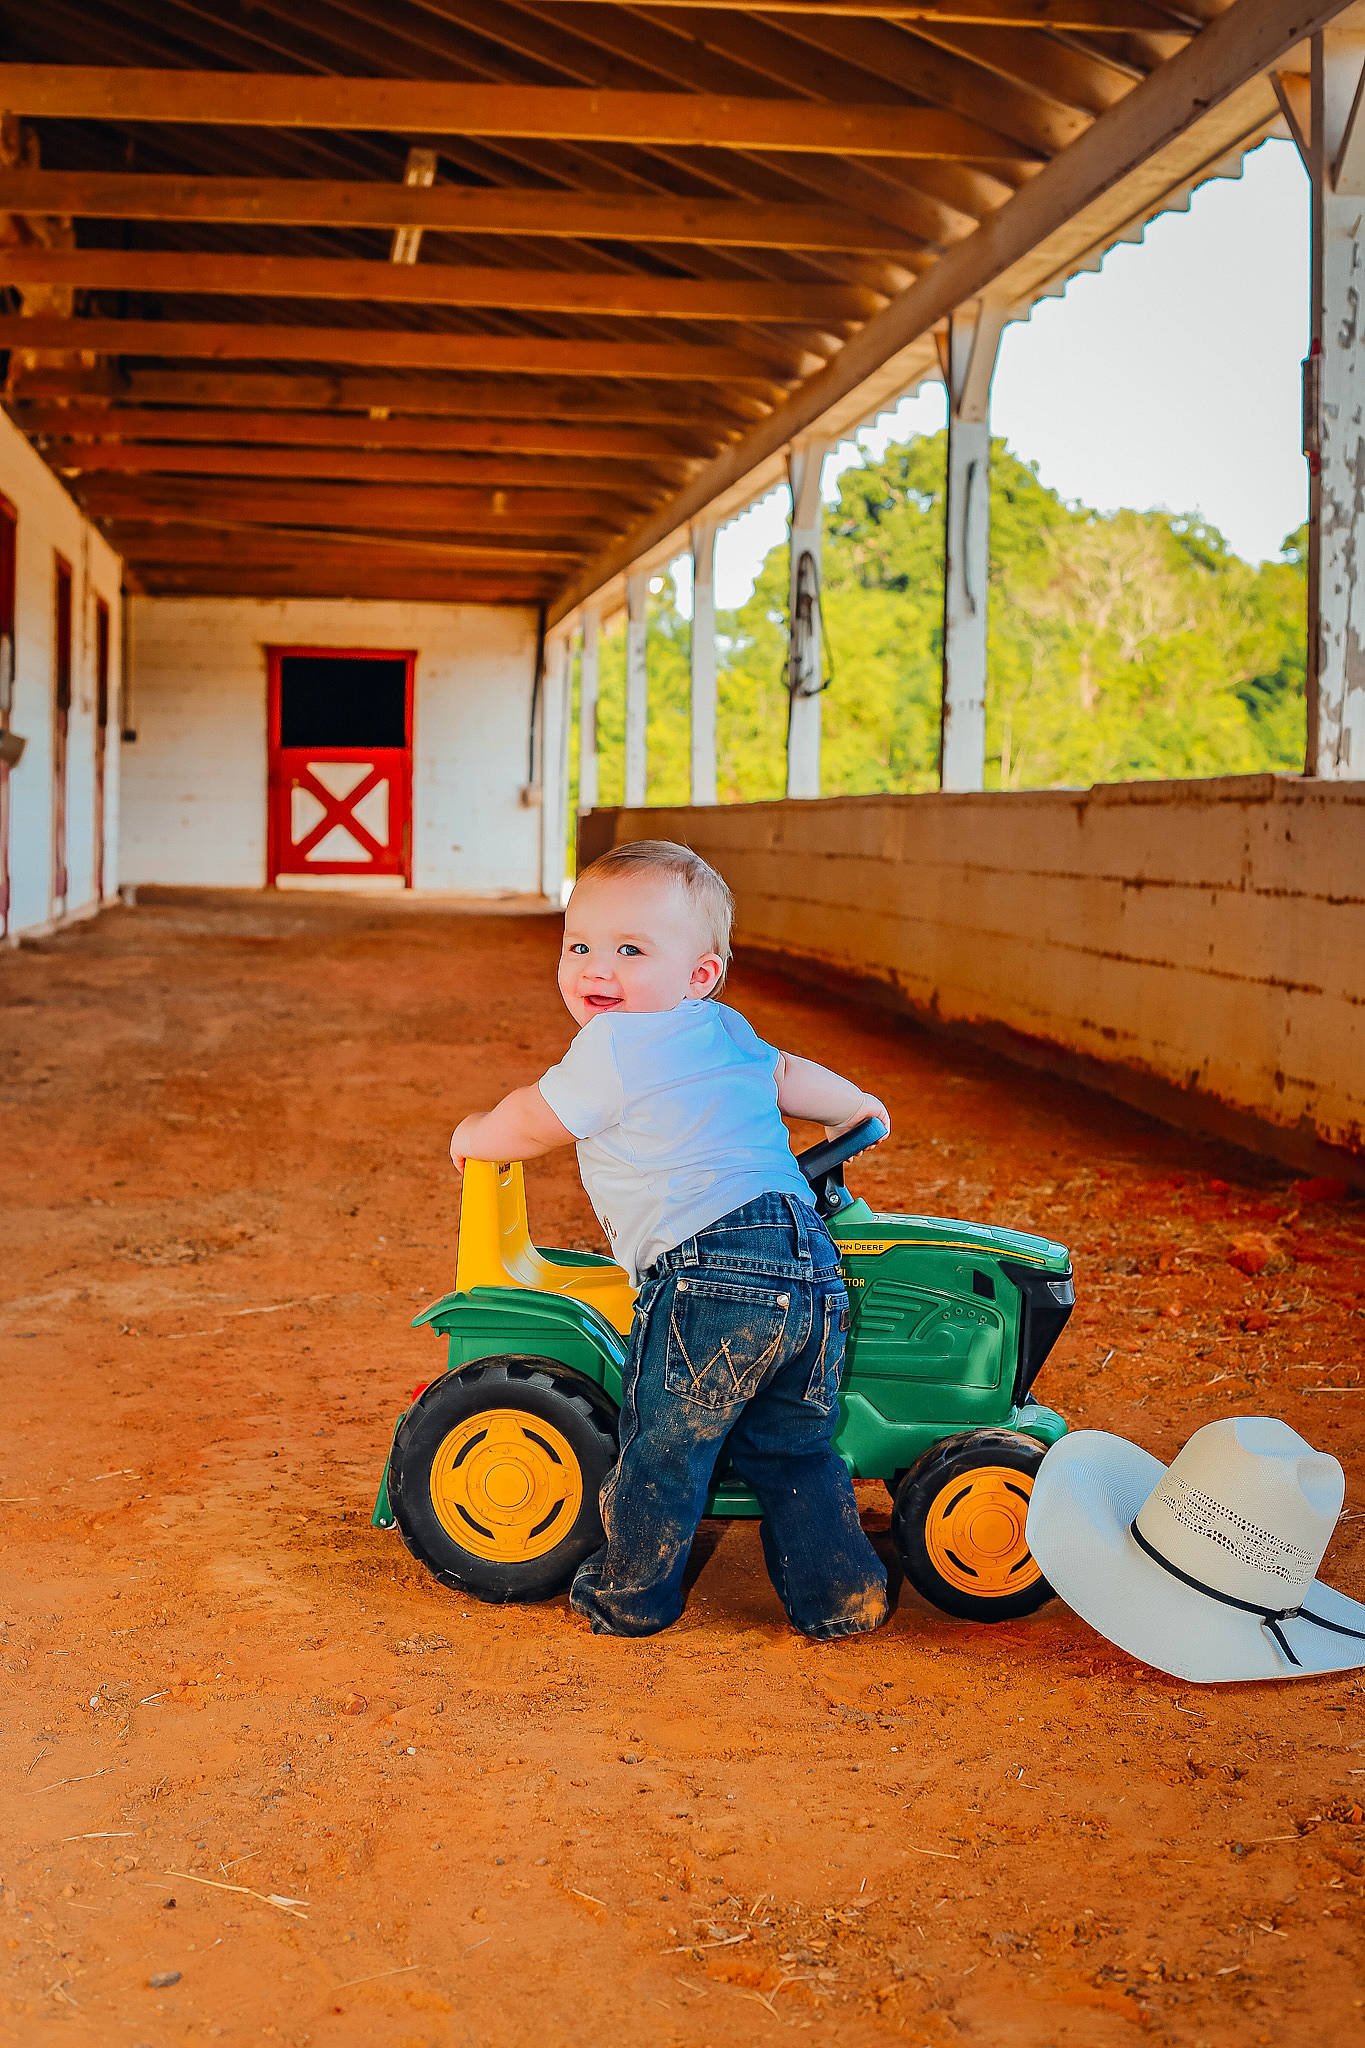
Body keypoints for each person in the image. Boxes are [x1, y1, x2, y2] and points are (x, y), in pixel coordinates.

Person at [449, 839, 890, 1641]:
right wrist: (856, 1106)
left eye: (629, 950)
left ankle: (629, 1596)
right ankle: (840, 1598)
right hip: (808, 1266)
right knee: (796, 1449)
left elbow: (531, 1120)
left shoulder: (614, 1044)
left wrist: (476, 1132)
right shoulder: (724, 1030)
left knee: (663, 1446)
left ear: (699, 974)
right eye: (578, 945)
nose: (596, 970)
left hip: (709, 1272)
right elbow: (789, 1073)